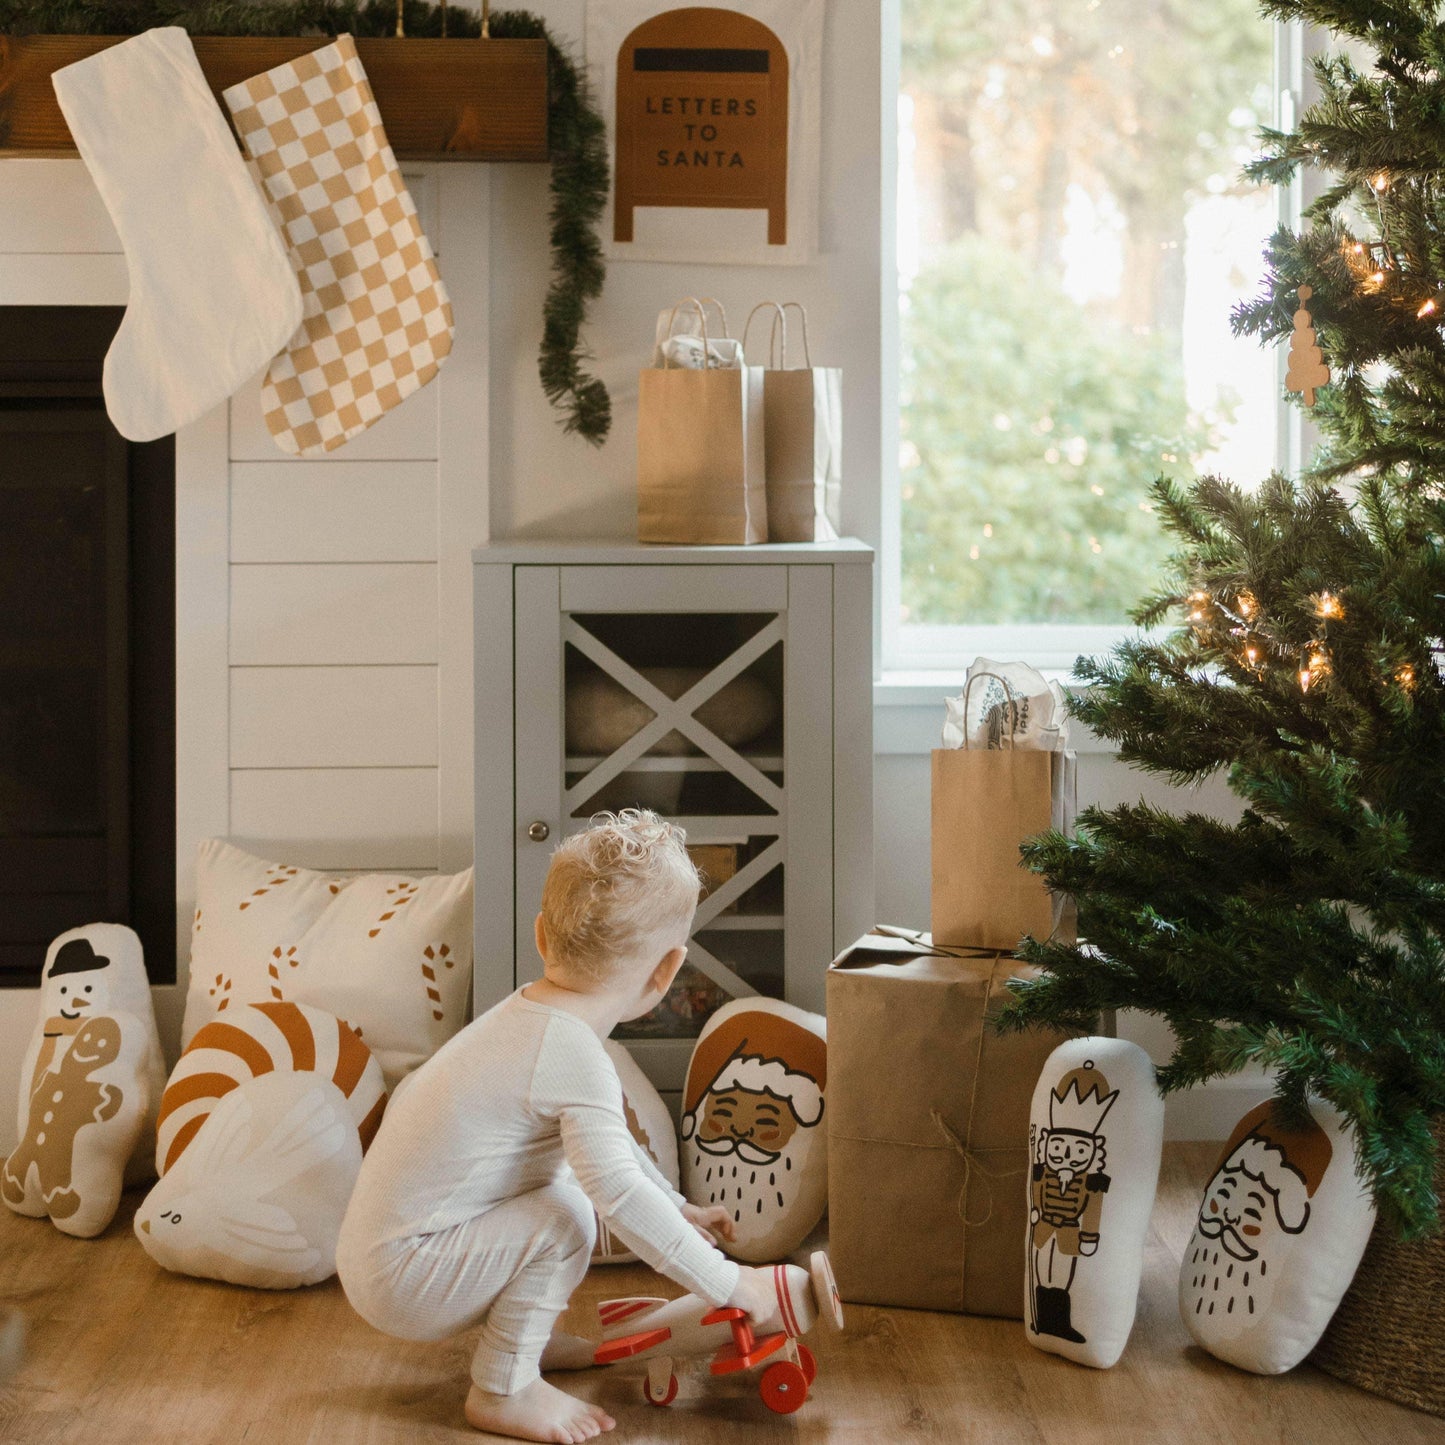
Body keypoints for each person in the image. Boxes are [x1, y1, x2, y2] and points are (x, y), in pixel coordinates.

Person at [336, 809, 776, 1444]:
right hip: (408, 1275)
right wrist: (731, 1283)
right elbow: (617, 1195)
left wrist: (675, 1205)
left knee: (568, 1192)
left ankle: (521, 1344)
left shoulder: (534, 1019)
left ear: (542, 936)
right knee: (567, 1217)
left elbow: (614, 1150)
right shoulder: (569, 1053)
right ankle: (502, 1389)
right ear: (667, 969)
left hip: (387, 1257)